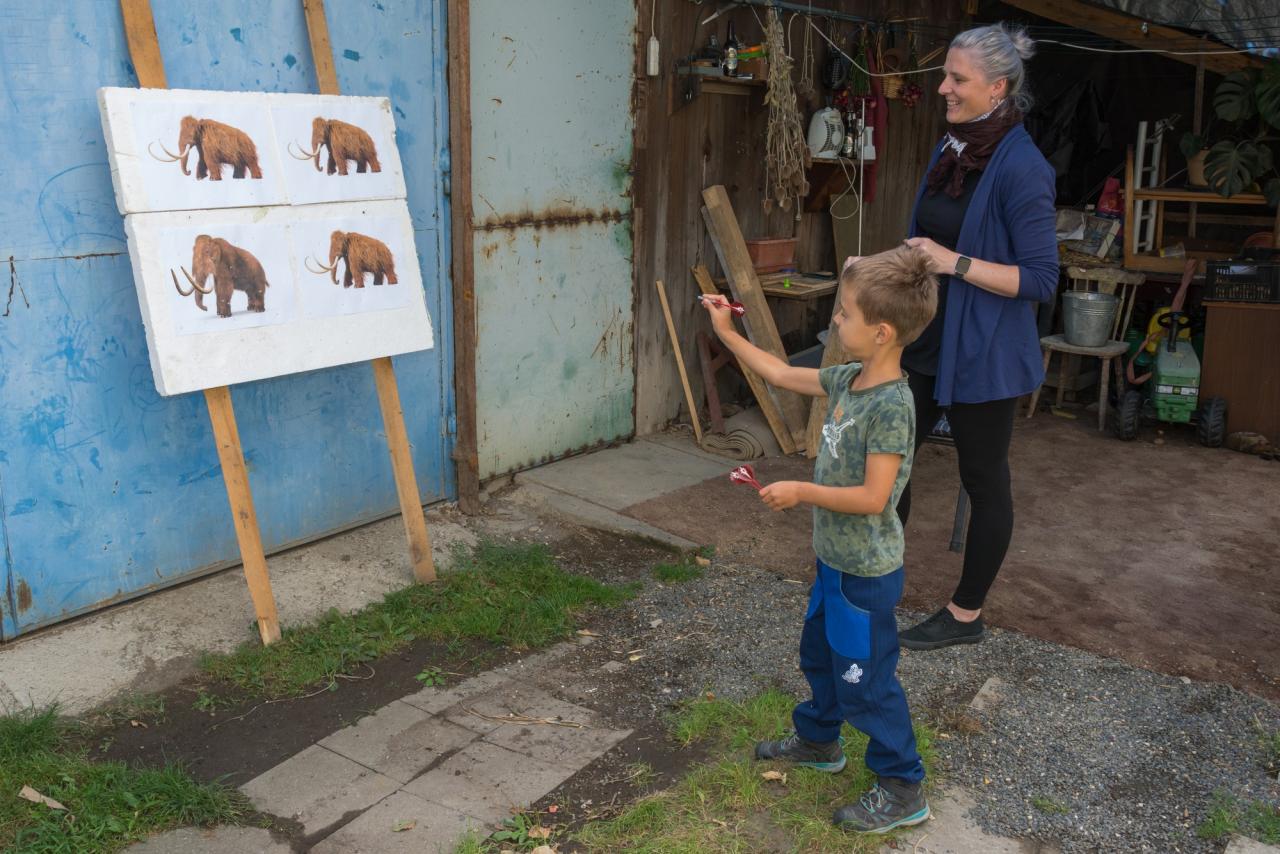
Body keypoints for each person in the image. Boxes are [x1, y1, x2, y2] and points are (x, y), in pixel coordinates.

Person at [699, 246, 938, 834]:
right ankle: (818, 741)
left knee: (867, 682)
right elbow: (781, 373)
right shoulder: (849, 379)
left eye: (845, 313)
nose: (836, 319)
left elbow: (874, 498)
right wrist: (726, 331)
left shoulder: (891, 407)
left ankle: (902, 785)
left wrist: (802, 491)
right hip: (833, 563)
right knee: (821, 657)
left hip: (866, 575)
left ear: (881, 332)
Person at [894, 23, 1059, 650]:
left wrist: (951, 262)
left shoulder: (1024, 169)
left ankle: (965, 615)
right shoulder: (952, 147)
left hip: (986, 350)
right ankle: (875, 582)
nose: (943, 88)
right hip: (926, 338)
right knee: (890, 463)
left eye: (956, 79)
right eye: (946, 75)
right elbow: (928, 239)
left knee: (984, 481)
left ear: (997, 88)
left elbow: (1041, 279)